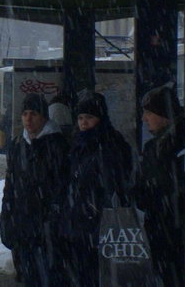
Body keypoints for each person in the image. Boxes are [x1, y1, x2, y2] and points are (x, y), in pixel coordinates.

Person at [63, 90, 133, 287]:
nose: (84, 122)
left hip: (100, 227)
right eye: (80, 118)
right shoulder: (79, 144)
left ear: (100, 118)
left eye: (89, 117)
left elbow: (115, 186)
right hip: (81, 225)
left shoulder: (111, 146)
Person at [0, 94, 70, 287]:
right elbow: (10, 184)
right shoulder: (18, 145)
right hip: (23, 223)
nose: (28, 119)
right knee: (28, 275)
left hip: (47, 226)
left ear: (44, 117)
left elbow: (61, 185)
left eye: (33, 114)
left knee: (48, 276)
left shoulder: (57, 145)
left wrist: (53, 216)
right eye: (25, 114)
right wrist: (7, 217)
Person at [131, 85, 185, 287]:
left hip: (171, 229)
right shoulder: (154, 147)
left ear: (164, 114)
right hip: (162, 227)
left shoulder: (183, 146)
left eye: (148, 113)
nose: (144, 119)